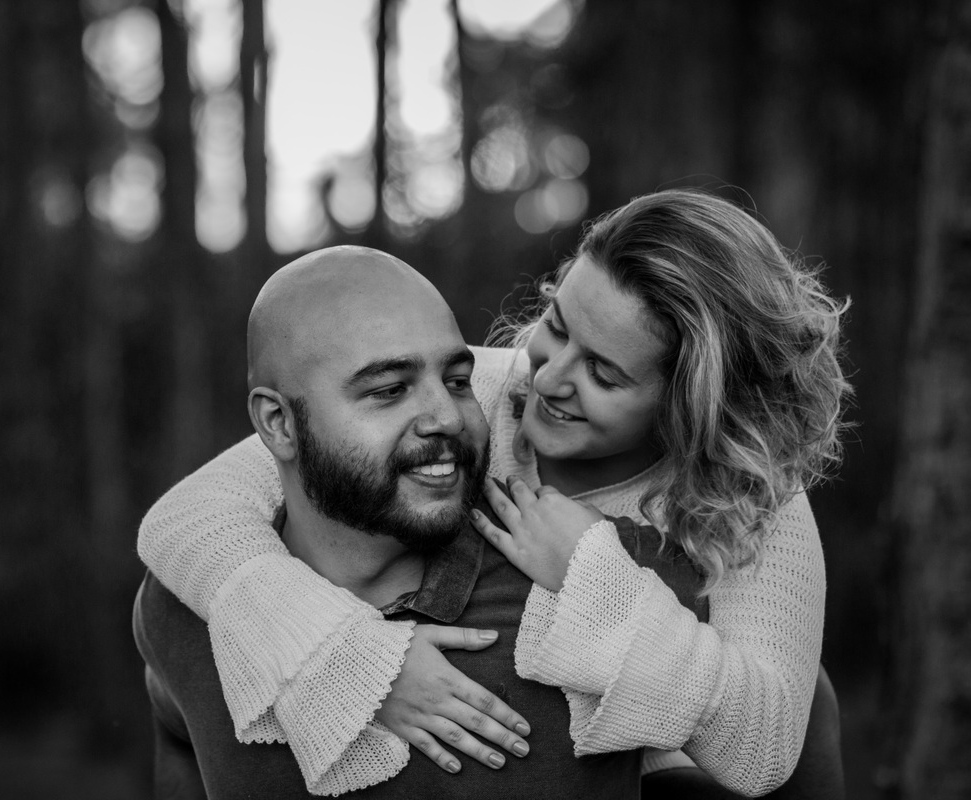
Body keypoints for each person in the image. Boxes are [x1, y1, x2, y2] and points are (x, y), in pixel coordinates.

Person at [138, 190, 852, 796]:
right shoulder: (475, 389)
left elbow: (768, 745)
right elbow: (187, 518)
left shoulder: (748, 494)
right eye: (557, 327)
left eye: (603, 374)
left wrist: (590, 573)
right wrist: (354, 660)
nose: (547, 378)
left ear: (689, 406)